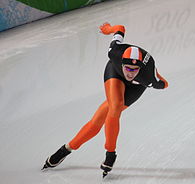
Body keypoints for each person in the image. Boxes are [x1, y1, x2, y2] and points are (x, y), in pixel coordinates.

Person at [42, 23, 168, 176]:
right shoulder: (115, 52)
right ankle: (111, 154)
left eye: (134, 70)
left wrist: (157, 78)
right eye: (128, 68)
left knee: (99, 118)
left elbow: (164, 84)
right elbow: (120, 28)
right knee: (116, 106)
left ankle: (65, 149)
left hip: (137, 86)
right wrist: (108, 29)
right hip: (114, 72)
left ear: (140, 68)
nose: (130, 73)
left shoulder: (148, 76)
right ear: (122, 63)